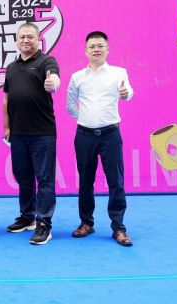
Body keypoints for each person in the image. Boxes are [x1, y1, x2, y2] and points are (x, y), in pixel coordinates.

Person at [66, 31, 134, 247]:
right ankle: (86, 223)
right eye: (92, 46)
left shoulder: (118, 73)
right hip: (84, 136)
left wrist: (126, 94)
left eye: (100, 46)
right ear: (85, 51)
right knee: (85, 181)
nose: (96, 49)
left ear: (107, 49)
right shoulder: (77, 77)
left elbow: (128, 92)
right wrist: (86, 118)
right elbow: (70, 105)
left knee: (116, 182)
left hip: (110, 135)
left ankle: (119, 227)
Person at [2, 22, 61, 245]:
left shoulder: (47, 62)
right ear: (17, 41)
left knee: (44, 179)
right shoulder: (11, 67)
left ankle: (44, 223)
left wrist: (52, 83)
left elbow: (54, 79)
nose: (26, 40)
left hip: (42, 133)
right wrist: (7, 127)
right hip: (17, 134)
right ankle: (27, 217)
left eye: (30, 37)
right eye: (22, 37)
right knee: (23, 177)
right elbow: (6, 100)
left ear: (38, 40)